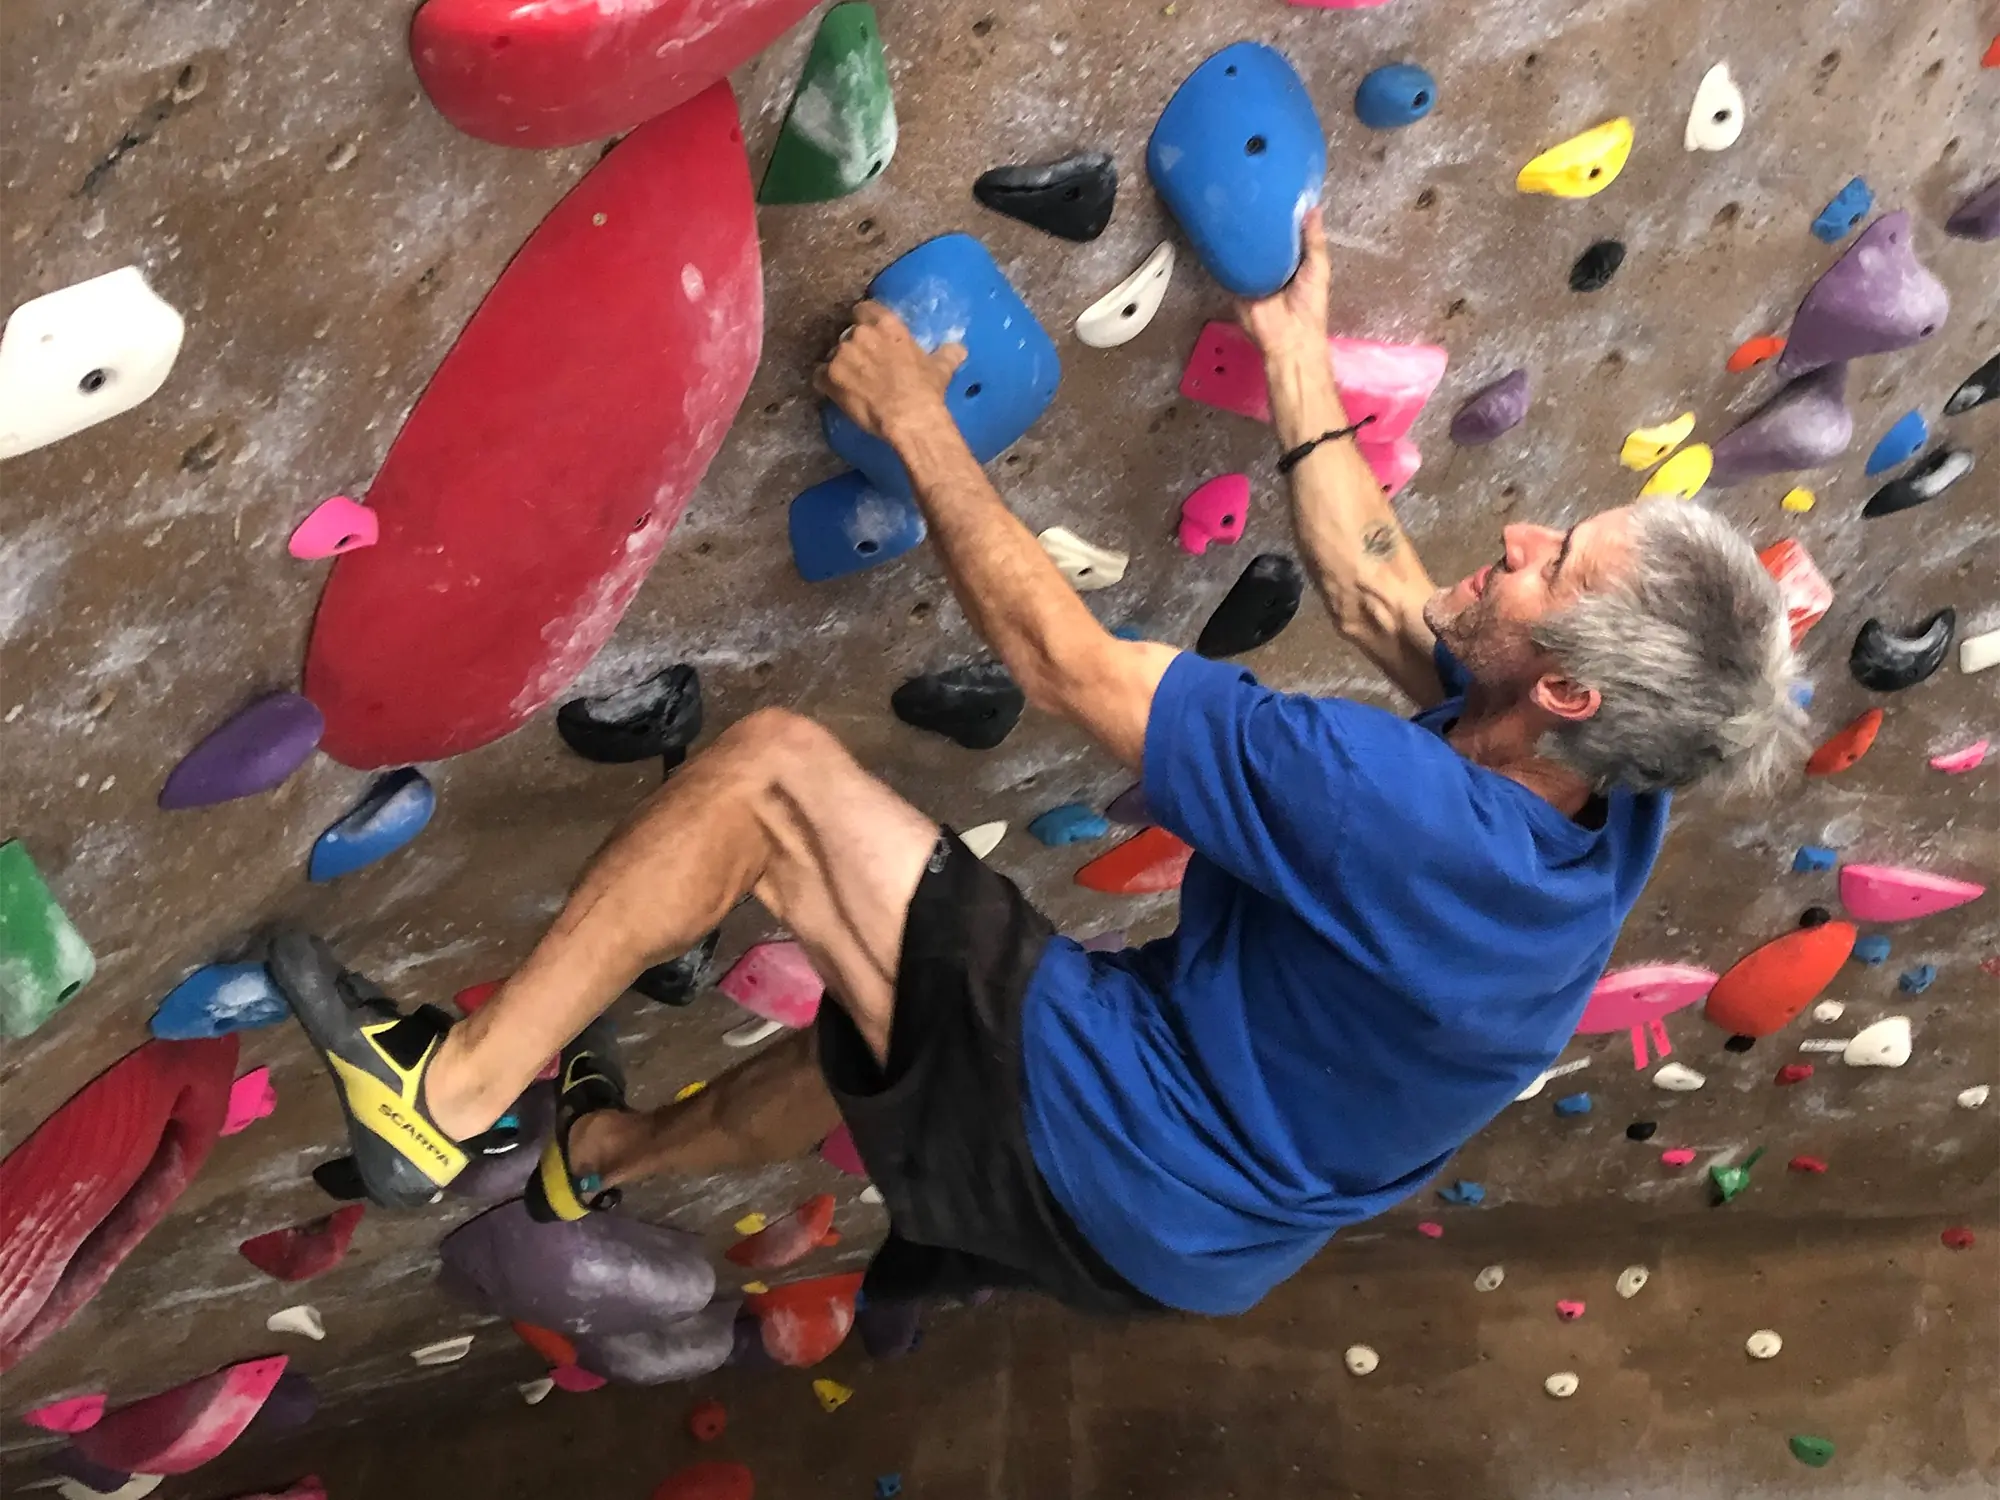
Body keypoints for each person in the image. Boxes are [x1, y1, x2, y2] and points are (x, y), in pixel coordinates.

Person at [272, 207, 1805, 1318]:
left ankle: (442, 1102)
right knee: (871, 1037)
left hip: (1122, 1147)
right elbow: (1376, 593)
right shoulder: (1611, 796)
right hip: (1198, 1244)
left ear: (1575, 693)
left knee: (774, 781)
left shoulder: (1393, 805)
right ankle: (584, 1160)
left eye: (1552, 567)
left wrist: (918, 423)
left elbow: (1067, 666)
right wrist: (1290, 351)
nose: (1521, 535)